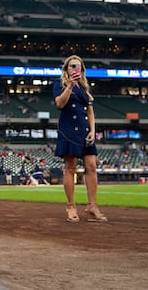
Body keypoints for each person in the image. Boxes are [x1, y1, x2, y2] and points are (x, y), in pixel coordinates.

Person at [53, 55, 107, 223]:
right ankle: (71, 206)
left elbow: (90, 111)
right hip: (69, 130)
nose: (75, 69)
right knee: (70, 167)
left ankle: (92, 206)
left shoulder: (85, 88)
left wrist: (92, 130)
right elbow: (60, 104)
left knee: (91, 166)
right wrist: (69, 85)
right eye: (71, 66)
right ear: (66, 70)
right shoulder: (59, 84)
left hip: (84, 131)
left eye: (78, 67)